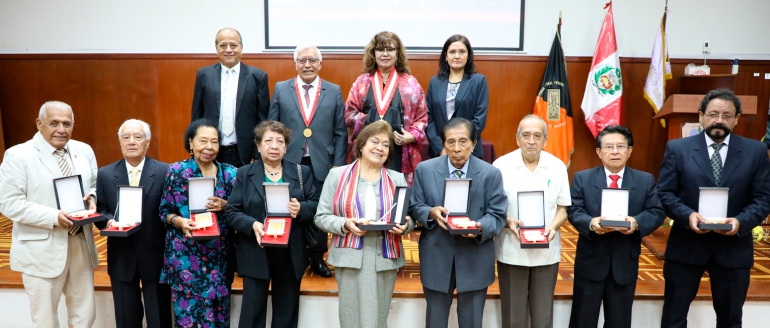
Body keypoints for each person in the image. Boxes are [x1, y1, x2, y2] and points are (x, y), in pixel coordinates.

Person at [658, 89, 770, 327]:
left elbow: (763, 198)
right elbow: (664, 193)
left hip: (733, 249)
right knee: (673, 317)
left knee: (730, 319)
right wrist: (688, 216)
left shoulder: (755, 152)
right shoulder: (678, 149)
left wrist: (740, 221)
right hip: (686, 247)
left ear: (737, 118)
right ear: (701, 116)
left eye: (727, 115)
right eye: (713, 114)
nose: (719, 120)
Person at [0, 101, 99, 327]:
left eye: (67, 123)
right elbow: (9, 203)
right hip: (41, 249)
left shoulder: (84, 150)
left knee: (85, 316)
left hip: (80, 243)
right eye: (53, 123)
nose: (61, 129)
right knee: (45, 320)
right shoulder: (18, 155)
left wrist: (92, 198)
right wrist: (53, 217)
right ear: (39, 123)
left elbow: (93, 184)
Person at [314, 121, 415, 327]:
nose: (380, 148)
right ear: (361, 144)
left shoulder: (397, 179)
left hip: (384, 258)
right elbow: (321, 216)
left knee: (378, 319)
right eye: (375, 142)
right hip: (350, 258)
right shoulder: (337, 175)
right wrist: (345, 223)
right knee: (351, 319)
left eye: (386, 145)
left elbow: (410, 217)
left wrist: (406, 226)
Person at [409, 117, 507, 328]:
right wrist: (430, 212)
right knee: (435, 322)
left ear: (473, 143)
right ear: (443, 144)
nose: (457, 148)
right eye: (451, 142)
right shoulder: (425, 170)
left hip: (474, 256)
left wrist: (480, 227)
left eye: (463, 141)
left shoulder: (491, 174)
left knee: (471, 322)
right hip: (437, 256)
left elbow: (498, 214)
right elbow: (415, 206)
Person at [567, 125, 666, 328]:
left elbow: (656, 211)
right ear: (599, 152)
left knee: (619, 321)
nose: (615, 151)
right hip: (591, 261)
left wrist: (636, 223)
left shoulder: (644, 180)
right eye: (609, 147)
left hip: (624, 262)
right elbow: (574, 210)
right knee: (582, 320)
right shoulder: (582, 178)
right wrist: (591, 223)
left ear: (629, 151)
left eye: (621, 146)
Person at [224, 121, 319, 328]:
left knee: (286, 313)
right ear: (258, 146)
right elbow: (232, 213)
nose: (274, 146)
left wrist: (300, 208)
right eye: (268, 141)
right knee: (252, 313)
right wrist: (252, 225)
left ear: (286, 146)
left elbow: (316, 206)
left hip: (289, 252)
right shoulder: (244, 174)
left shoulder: (302, 173)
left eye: (280, 141)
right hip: (256, 250)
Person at [268, 44, 347, 278]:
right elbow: (273, 126)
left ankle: (317, 257)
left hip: (323, 162)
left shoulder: (333, 91)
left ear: (320, 64)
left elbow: (341, 131)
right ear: (295, 64)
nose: (308, 64)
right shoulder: (282, 89)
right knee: (290, 206)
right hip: (290, 160)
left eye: (312, 60)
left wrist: (338, 164)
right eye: (302, 60)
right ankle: (291, 254)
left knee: (319, 210)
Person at [492, 115, 570, 328]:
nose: (531, 141)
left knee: (543, 317)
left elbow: (563, 208)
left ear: (545, 140)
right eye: (526, 135)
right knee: (513, 317)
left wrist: (553, 226)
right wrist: (508, 221)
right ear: (517, 139)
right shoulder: (501, 166)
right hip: (511, 250)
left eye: (537, 136)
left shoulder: (557, 166)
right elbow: (492, 208)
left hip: (546, 252)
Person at [159, 119, 237, 327]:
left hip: (219, 259)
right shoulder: (176, 171)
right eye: (203, 141)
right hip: (185, 258)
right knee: (189, 320)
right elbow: (164, 212)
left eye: (214, 142)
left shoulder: (229, 173)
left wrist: (226, 205)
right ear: (191, 143)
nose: (209, 147)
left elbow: (240, 211)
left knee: (219, 318)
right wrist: (180, 221)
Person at [94, 119, 172, 328]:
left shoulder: (166, 171)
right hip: (121, 255)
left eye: (138, 137)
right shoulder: (105, 173)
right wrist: (109, 221)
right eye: (126, 137)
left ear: (147, 142)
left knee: (159, 318)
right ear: (119, 142)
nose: (131, 142)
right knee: (126, 319)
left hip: (155, 255)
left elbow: (170, 209)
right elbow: (101, 209)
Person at [344, 31, 428, 185]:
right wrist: (370, 119)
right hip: (368, 149)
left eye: (390, 49)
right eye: (380, 49)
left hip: (400, 150)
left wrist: (413, 135)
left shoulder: (411, 83)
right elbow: (348, 115)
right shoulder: (362, 82)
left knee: (398, 195)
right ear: (373, 53)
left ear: (397, 53)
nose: (385, 54)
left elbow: (422, 118)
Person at [191, 27, 270, 167]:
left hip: (244, 154)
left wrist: (257, 152)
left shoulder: (257, 76)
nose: (228, 49)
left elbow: (262, 120)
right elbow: (197, 115)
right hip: (210, 150)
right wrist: (195, 147)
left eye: (233, 45)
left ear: (241, 48)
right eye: (223, 45)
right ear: (216, 49)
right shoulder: (204, 75)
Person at [426, 34, 488, 159]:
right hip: (440, 153)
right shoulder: (435, 82)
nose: (457, 56)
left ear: (469, 56)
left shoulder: (478, 81)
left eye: (462, 52)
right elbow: (429, 118)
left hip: (469, 152)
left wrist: (461, 146)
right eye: (452, 52)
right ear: (446, 56)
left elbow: (479, 119)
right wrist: (441, 148)